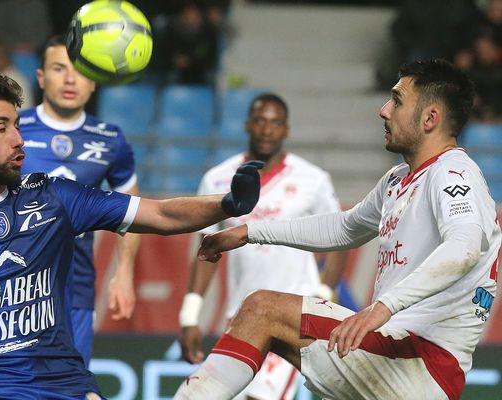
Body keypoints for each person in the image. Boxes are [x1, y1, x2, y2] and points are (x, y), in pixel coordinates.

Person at [0, 72, 263, 399]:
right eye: (1, 128)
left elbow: (161, 213)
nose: (18, 139)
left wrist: (229, 203)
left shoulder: (55, 197)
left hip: (67, 385)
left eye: (16, 125)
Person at [175, 59, 501, 400]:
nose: (384, 110)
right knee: (261, 314)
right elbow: (344, 228)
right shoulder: (397, 180)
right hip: (392, 357)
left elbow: (464, 246)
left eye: (398, 101)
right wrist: (249, 232)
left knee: (262, 310)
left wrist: (383, 307)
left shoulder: (453, 172)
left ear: (430, 118)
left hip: (420, 363)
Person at [178, 93, 347, 400]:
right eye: (260, 121)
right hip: (241, 315)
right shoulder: (217, 180)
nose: (267, 130)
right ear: (247, 125)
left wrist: (322, 294)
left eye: (276, 123)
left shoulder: (313, 180)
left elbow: (341, 239)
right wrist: (190, 315)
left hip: (292, 316)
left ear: (286, 130)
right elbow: (206, 250)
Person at [19, 34, 141, 366]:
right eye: (59, 68)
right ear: (42, 78)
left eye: (80, 71)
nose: (71, 79)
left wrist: (124, 273)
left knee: (68, 385)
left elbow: (134, 210)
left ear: (95, 83)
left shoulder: (110, 140)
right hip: (10, 288)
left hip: (76, 288)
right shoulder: (13, 130)